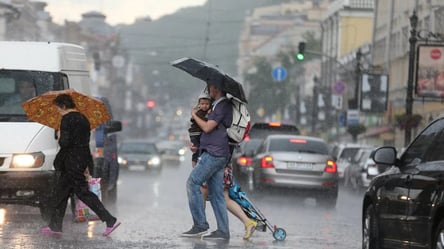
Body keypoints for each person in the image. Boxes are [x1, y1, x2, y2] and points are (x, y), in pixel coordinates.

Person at [39, 93, 120, 236]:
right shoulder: (84, 119)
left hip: (71, 161)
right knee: (61, 193)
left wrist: (59, 136)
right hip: (80, 159)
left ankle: (110, 220)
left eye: (58, 108)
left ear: (63, 106)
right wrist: (87, 164)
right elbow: (84, 142)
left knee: (82, 193)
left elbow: (66, 143)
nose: (58, 111)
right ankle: (55, 226)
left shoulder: (66, 119)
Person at [181, 77, 233, 240]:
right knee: (217, 194)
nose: (208, 89)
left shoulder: (222, 105)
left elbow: (207, 127)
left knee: (193, 182)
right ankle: (223, 231)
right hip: (214, 151)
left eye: (210, 86)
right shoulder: (217, 105)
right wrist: (198, 146)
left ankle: (200, 225)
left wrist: (194, 114)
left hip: (214, 153)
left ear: (216, 88)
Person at [188, 92, 212, 167]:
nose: (204, 106)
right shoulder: (199, 112)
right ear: (199, 104)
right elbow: (203, 121)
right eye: (202, 104)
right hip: (195, 134)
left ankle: (196, 163)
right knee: (197, 149)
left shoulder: (202, 112)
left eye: (207, 104)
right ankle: (194, 164)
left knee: (199, 148)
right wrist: (208, 115)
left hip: (197, 133)